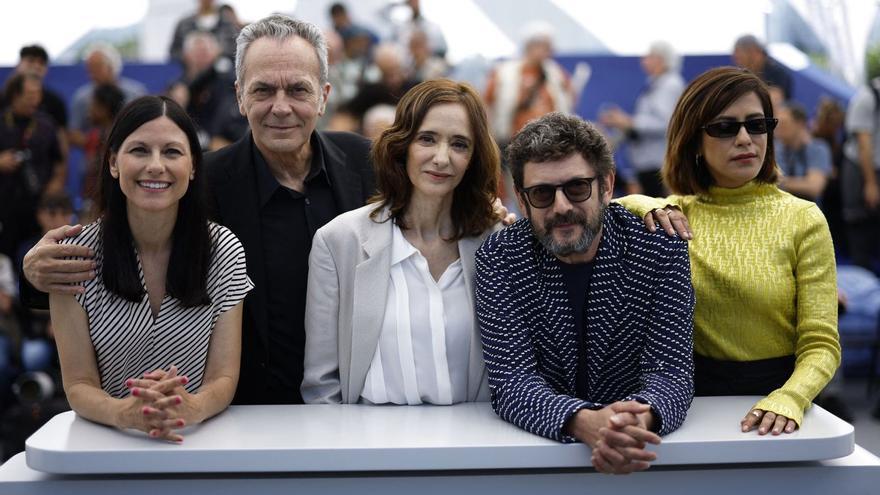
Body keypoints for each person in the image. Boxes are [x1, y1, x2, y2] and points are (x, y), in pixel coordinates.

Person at [22, 15, 376, 406]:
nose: (280, 107)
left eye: (297, 90)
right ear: (240, 96)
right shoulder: (199, 180)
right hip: (243, 413)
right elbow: (125, 249)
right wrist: (34, 277)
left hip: (353, 405)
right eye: (263, 90)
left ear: (324, 95)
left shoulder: (367, 164)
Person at [618, 67, 840, 435]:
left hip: (778, 411)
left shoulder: (803, 218)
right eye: (724, 128)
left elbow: (821, 343)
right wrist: (645, 204)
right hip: (689, 408)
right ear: (694, 142)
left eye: (756, 125)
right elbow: (605, 208)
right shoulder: (675, 213)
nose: (744, 139)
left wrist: (792, 397)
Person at [475, 112, 695, 474]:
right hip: (534, 464)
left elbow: (669, 372)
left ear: (607, 186)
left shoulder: (660, 249)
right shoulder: (499, 257)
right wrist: (582, 421)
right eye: (542, 193)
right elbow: (512, 380)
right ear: (522, 199)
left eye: (577, 188)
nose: (561, 206)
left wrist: (637, 422)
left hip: (644, 463)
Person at [49, 95, 252, 442]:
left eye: (172, 152)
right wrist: (126, 414)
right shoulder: (73, 258)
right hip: (108, 442)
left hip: (197, 442)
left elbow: (223, 377)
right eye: (139, 150)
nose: (156, 165)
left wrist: (193, 407)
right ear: (113, 162)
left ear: (192, 167)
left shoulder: (225, 251)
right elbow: (79, 383)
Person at [302, 79, 500, 405]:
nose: (441, 158)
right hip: (369, 449)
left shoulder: (495, 243)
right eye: (427, 139)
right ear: (402, 144)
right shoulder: (339, 241)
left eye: (460, 144)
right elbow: (322, 387)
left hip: (474, 449)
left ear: (474, 158)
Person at [600, 41, 684, 197]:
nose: (643, 60)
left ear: (660, 59)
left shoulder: (670, 85)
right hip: (648, 163)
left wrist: (628, 122)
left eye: (649, 56)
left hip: (656, 163)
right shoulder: (657, 83)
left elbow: (665, 122)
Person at [0, 73, 65, 260]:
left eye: (37, 94)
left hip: (39, 205)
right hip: (5, 205)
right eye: (29, 95)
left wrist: (55, 185)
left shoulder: (46, 125)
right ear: (14, 95)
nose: (35, 100)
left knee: (38, 254)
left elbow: (59, 162)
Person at [484, 21, 574, 146]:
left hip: (549, 141)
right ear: (529, 46)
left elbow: (568, 99)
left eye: (548, 47)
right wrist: (490, 135)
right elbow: (487, 103)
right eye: (542, 45)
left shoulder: (556, 73)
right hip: (513, 141)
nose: (547, 51)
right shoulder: (505, 72)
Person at [842, 75, 880, 271]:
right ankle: (861, 280)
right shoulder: (867, 98)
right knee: (858, 223)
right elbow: (865, 146)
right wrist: (871, 184)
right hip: (860, 169)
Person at [69, 43, 147, 138]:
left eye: (97, 67)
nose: (92, 74)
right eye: (89, 69)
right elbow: (73, 131)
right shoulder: (81, 97)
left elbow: (146, 127)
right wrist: (96, 144)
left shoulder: (136, 93)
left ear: (111, 67)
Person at [774, 102, 832, 202]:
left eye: (783, 123)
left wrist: (777, 182)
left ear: (800, 124)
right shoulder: (775, 148)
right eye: (776, 123)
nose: (777, 129)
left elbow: (814, 187)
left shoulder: (818, 149)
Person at [169, 0, 240, 64]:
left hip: (221, 73)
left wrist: (220, 53)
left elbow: (238, 50)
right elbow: (174, 52)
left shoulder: (228, 24)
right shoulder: (184, 24)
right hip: (191, 74)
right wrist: (187, 55)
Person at [732, 34, 793, 102]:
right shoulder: (740, 76)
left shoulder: (777, 73)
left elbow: (774, 99)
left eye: (739, 55)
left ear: (755, 52)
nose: (736, 58)